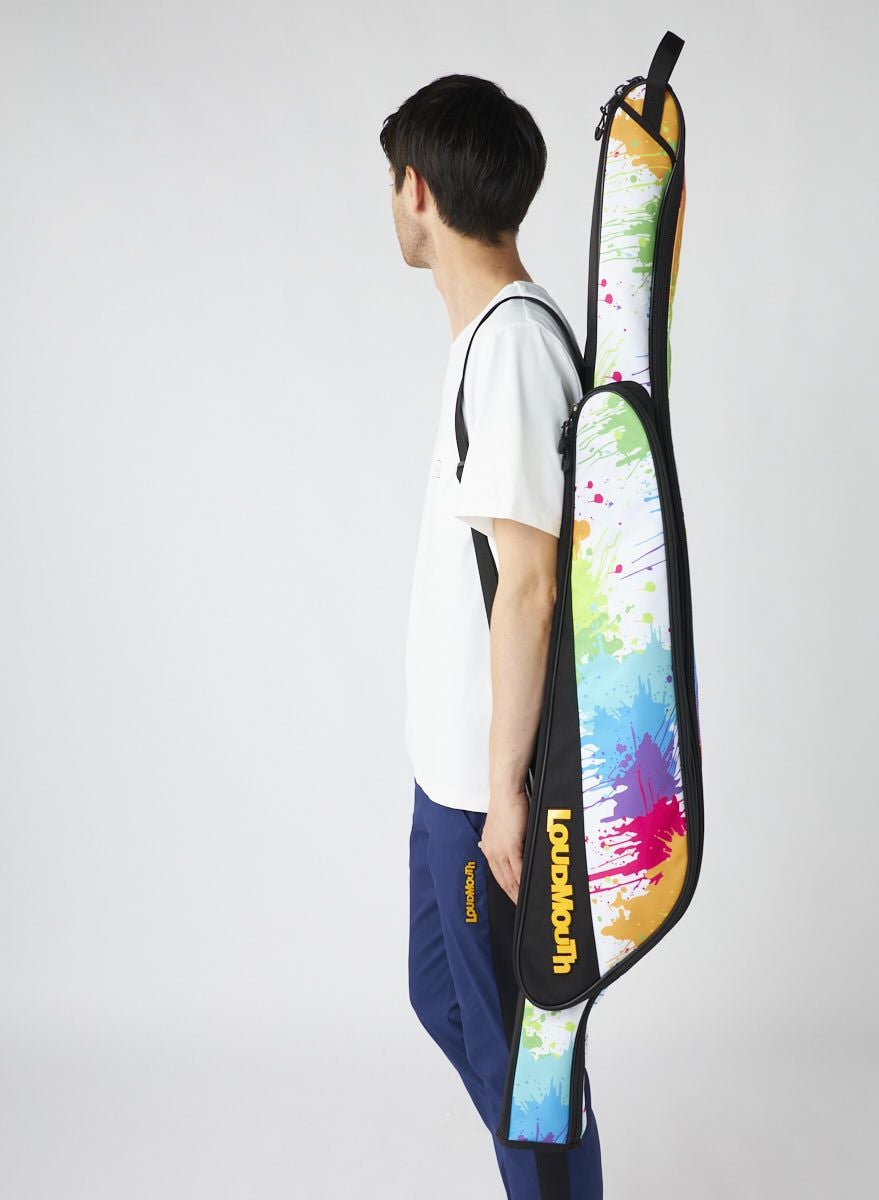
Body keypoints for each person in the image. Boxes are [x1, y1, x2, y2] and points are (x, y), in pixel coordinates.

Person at [380, 74, 604, 1199]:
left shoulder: (513, 347)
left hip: (487, 792)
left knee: (527, 1066)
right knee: (444, 996)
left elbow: (530, 586)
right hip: (450, 777)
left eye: (392, 182)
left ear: (417, 188)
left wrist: (509, 794)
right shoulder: (485, 340)